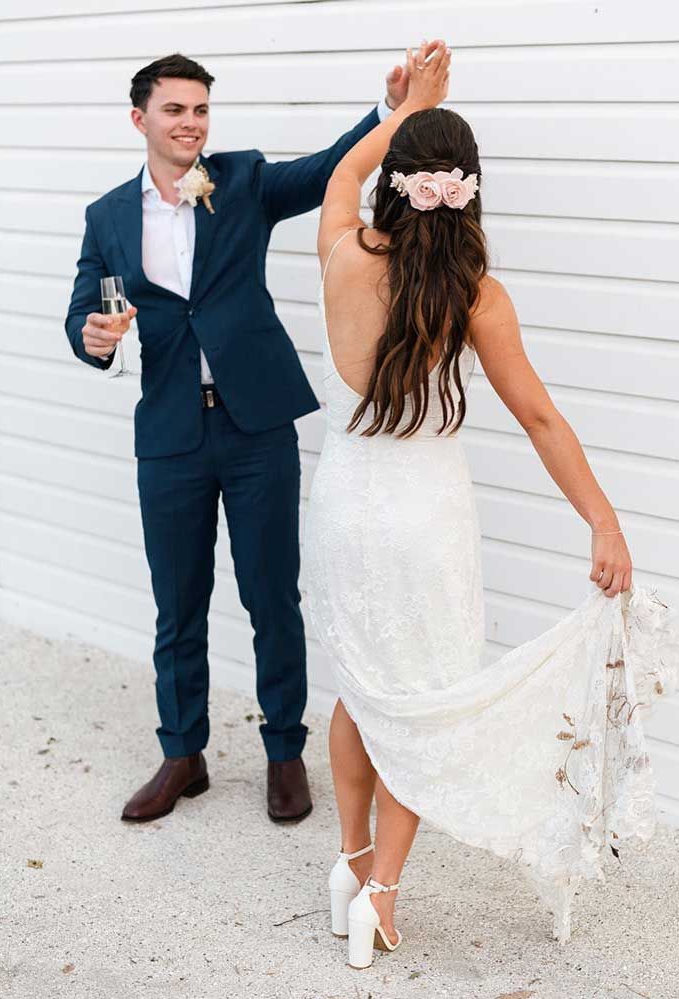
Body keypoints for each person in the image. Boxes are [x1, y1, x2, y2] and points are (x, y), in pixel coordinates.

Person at [304, 41, 679, 967]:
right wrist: (604, 518)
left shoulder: (341, 246)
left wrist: (402, 108)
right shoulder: (478, 294)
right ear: (469, 187)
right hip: (427, 510)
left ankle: (349, 864)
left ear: (398, 181)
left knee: (362, 688)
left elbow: (348, 170)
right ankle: (382, 898)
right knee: (426, 702)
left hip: (348, 498)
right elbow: (543, 421)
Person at [64, 49, 444, 825]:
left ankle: (282, 752)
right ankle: (183, 752)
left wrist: (387, 110)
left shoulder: (239, 180)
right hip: (169, 433)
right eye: (175, 110)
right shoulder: (106, 216)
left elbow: (325, 173)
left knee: (272, 594)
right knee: (179, 602)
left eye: (201, 109)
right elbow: (80, 310)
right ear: (141, 119)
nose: (191, 124)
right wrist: (94, 335)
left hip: (256, 425)